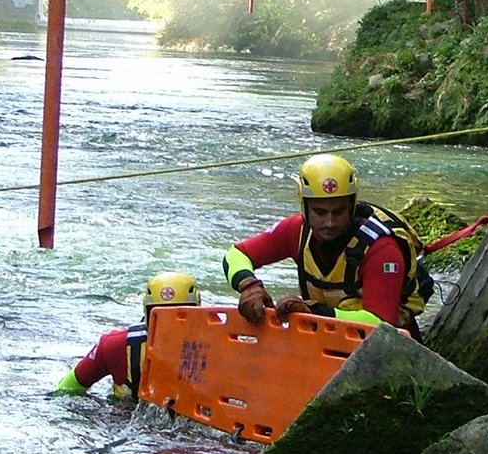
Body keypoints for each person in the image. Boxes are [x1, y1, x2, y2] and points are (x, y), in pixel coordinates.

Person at [224, 154, 433, 334]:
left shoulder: (382, 249)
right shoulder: (295, 231)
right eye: (320, 212)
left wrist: (314, 313)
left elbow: (381, 323)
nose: (330, 222)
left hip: (382, 349)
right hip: (322, 335)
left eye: (339, 211)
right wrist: (249, 285)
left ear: (351, 206)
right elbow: (236, 254)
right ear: (304, 207)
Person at [54, 272, 201, 397]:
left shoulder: (218, 349)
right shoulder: (115, 346)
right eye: (160, 316)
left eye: (181, 316)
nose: (169, 326)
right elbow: (66, 391)